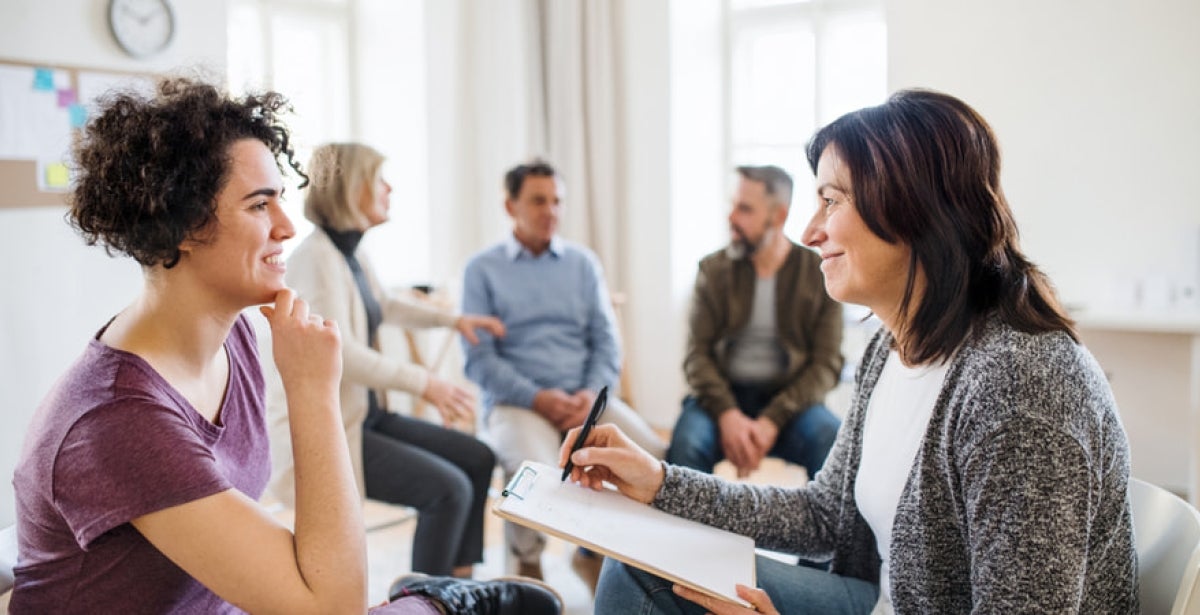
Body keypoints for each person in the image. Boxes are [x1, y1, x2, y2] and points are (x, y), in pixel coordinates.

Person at [563, 89, 1138, 614]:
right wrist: (658, 482)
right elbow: (825, 515)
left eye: (831, 201)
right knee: (640, 564)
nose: (811, 231)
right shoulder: (893, 349)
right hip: (882, 600)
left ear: (911, 210)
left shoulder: (1020, 384)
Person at [9, 77, 559, 615]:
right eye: (258, 205)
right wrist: (313, 390)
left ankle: (429, 601)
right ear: (180, 226)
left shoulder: (238, 340)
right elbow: (332, 607)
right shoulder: (119, 421)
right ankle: (433, 602)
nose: (287, 226)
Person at [261, 142, 501, 579]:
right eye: (378, 180)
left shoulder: (349, 253)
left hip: (368, 416)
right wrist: (426, 383)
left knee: (478, 456)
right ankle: (423, 602)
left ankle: (460, 586)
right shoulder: (315, 260)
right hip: (336, 429)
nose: (389, 188)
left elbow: (385, 304)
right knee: (448, 490)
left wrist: (455, 319)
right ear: (353, 190)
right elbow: (343, 353)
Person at [461, 159, 668, 587]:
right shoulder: (481, 270)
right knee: (530, 469)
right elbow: (479, 362)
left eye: (557, 201)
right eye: (538, 200)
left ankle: (593, 552)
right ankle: (528, 564)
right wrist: (539, 398)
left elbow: (607, 342)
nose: (550, 211)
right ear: (509, 205)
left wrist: (589, 395)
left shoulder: (583, 264)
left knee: (648, 452)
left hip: (584, 398)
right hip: (519, 403)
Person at [669, 165, 843, 481]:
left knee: (832, 441)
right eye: (732, 205)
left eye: (745, 209)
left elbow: (826, 363)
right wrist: (728, 414)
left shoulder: (818, 273)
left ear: (778, 216)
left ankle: (826, 532)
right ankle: (688, 533)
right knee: (685, 447)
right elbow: (697, 357)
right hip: (720, 397)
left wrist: (772, 420)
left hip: (790, 401)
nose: (731, 217)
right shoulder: (713, 270)